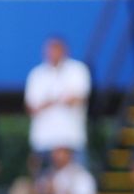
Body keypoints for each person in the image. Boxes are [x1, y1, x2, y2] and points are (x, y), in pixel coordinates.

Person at [24, 37, 91, 170]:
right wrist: (59, 100)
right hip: (43, 142)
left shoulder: (78, 70)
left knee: (77, 183)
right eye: (50, 50)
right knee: (42, 186)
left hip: (71, 140)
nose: (53, 53)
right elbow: (31, 107)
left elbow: (80, 98)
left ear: (65, 51)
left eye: (56, 49)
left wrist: (49, 102)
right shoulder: (36, 74)